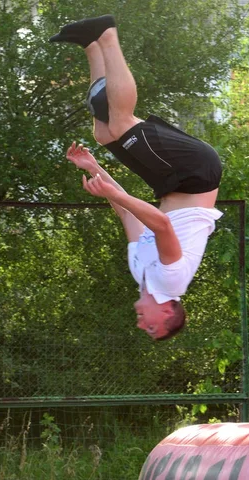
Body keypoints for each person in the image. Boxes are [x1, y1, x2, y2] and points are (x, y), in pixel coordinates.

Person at [50, 15, 223, 340]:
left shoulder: (141, 272)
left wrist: (94, 168)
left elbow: (128, 214)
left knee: (104, 133)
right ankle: (108, 34)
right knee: (120, 123)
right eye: (153, 327)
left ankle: (91, 45)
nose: (143, 325)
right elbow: (161, 224)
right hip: (197, 173)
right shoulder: (172, 283)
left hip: (173, 183)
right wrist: (113, 195)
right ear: (168, 312)